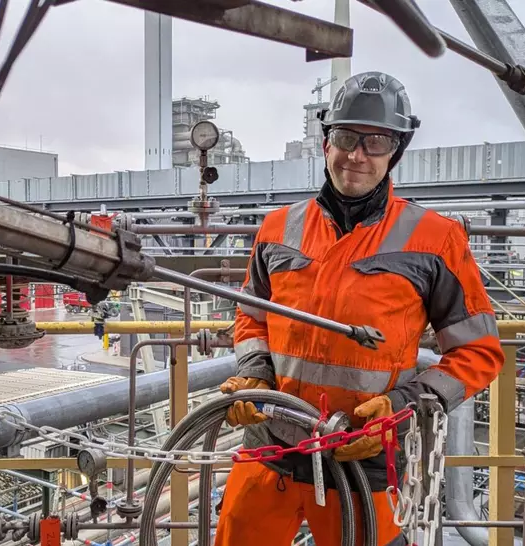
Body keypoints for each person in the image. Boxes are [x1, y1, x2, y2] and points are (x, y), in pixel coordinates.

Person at [213, 71, 504, 546]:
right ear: (326, 142)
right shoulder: (276, 228)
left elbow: (478, 353)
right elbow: (253, 318)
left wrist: (401, 407)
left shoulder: (434, 239)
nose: (357, 155)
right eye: (346, 138)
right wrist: (255, 373)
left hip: (363, 456)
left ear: (396, 152)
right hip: (271, 444)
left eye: (376, 142)